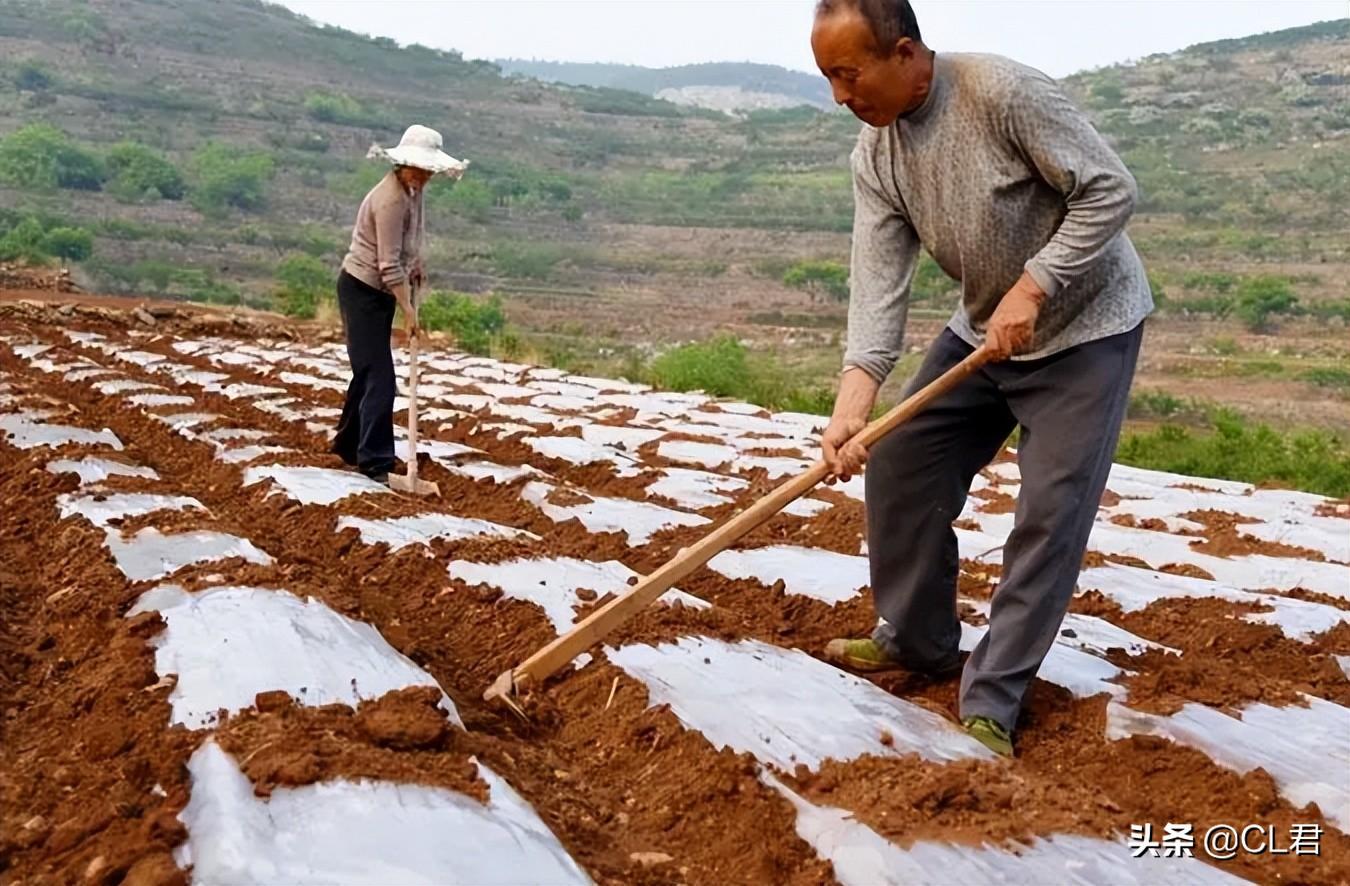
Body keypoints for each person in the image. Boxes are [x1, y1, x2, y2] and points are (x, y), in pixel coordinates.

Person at [810, 0, 1152, 756]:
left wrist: (1035, 287)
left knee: (1049, 512)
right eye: (828, 78)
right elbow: (877, 284)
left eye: (848, 74)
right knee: (900, 462)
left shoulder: (1001, 93)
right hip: (983, 331)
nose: (841, 96)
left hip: (1085, 328)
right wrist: (852, 408)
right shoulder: (877, 153)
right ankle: (918, 640)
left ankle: (993, 699)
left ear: (904, 54)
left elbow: (1111, 190)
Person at [332, 124, 465, 484]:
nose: (423, 176)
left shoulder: (412, 190)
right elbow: (387, 264)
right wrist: (408, 310)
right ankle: (374, 460)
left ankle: (348, 445)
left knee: (367, 371)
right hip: (362, 288)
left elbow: (411, 239)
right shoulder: (390, 199)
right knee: (380, 377)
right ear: (403, 163)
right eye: (418, 169)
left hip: (380, 289)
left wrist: (416, 264)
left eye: (428, 171)